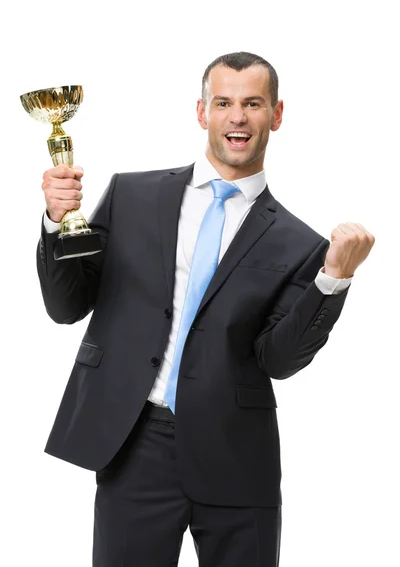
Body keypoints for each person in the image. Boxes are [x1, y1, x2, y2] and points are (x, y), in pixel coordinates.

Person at [37, 51, 375, 567]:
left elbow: (278, 361)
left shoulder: (300, 243)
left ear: (276, 115)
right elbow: (67, 306)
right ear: (202, 112)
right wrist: (56, 221)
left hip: (239, 455)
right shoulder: (132, 195)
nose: (237, 116)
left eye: (253, 104)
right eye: (224, 102)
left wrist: (333, 278)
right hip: (135, 444)